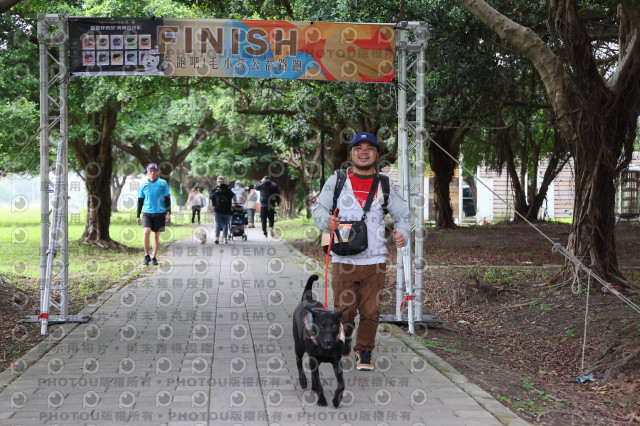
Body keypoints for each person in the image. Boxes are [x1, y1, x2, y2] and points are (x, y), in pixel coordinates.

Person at [312, 132, 410, 371]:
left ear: (377, 154)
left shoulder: (385, 184)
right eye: (359, 148)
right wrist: (327, 221)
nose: (364, 152)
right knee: (344, 312)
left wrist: (403, 233)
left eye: (369, 148)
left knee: (371, 311)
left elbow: (402, 214)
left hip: (375, 260)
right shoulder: (337, 180)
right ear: (352, 153)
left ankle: (364, 350)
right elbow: (319, 209)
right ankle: (344, 338)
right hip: (343, 259)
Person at [136, 163, 171, 265]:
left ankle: (154, 257)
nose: (152, 173)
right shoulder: (143, 184)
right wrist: (138, 215)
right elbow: (140, 200)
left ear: (157, 172)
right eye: (150, 171)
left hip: (160, 213)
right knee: (146, 232)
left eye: (154, 171)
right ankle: (146, 256)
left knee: (156, 235)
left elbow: (167, 199)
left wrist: (168, 213)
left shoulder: (163, 183)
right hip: (147, 213)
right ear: (147, 172)